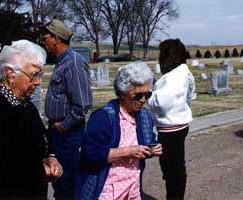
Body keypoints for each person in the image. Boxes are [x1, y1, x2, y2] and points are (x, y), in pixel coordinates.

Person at [0, 40, 63, 199]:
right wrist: (42, 171)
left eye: (40, 74)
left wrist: (51, 157)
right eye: (34, 74)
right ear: (10, 74)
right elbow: (2, 169)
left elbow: (43, 138)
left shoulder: (24, 105)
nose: (38, 82)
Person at [75, 61, 162, 200]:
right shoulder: (103, 117)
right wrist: (128, 151)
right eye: (138, 96)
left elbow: (148, 140)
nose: (143, 100)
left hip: (132, 188)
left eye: (147, 95)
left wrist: (153, 148)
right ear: (123, 92)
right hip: (106, 189)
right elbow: (90, 154)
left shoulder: (144, 116)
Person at [42, 19, 93, 200]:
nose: (44, 40)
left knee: (67, 183)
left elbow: (83, 105)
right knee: (59, 182)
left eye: (46, 36)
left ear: (56, 38)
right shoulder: (62, 62)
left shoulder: (74, 63)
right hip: (58, 132)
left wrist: (63, 125)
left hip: (68, 134)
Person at [147, 39, 195, 200]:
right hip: (178, 124)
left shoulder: (175, 78)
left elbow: (161, 102)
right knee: (174, 166)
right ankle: (175, 194)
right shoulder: (182, 73)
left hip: (171, 128)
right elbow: (189, 96)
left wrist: (148, 95)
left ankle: (174, 197)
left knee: (172, 169)